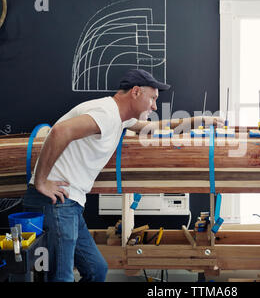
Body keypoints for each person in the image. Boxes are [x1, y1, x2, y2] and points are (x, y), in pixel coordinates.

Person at [23, 69, 223, 282]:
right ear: (136, 92)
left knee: (96, 270)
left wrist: (199, 120)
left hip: (71, 204)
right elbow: (59, 131)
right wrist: (41, 182)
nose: (155, 106)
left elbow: (152, 127)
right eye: (153, 98)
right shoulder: (106, 114)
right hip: (57, 201)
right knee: (61, 278)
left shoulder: (120, 118)